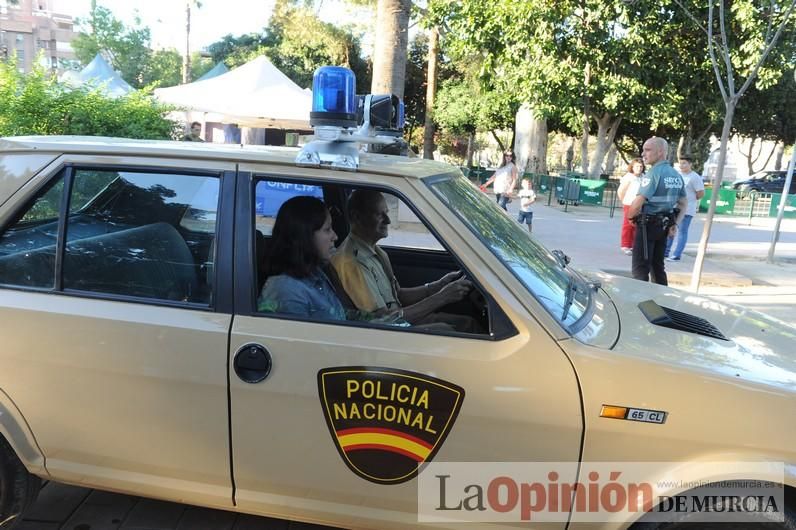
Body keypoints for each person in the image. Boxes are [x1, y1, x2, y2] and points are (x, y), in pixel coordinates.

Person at [331, 189, 477, 331]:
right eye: (379, 215)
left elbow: (398, 296)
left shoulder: (376, 252)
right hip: (392, 331)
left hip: (401, 320)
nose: (388, 220)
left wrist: (438, 285)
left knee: (467, 323)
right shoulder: (352, 262)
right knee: (456, 330)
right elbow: (383, 322)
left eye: (386, 213)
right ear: (357, 217)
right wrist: (442, 297)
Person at [257, 196, 346, 320]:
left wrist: (373, 319)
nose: (335, 236)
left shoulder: (315, 272)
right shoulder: (286, 290)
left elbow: (340, 316)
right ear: (305, 235)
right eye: (327, 230)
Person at [628, 137, 688, 286]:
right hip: (664, 227)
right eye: (643, 150)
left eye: (647, 150)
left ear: (660, 152)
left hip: (647, 226)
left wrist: (630, 217)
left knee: (640, 269)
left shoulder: (653, 174)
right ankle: (662, 299)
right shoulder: (676, 175)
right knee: (658, 267)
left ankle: (639, 300)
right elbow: (683, 203)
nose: (643, 154)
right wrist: (675, 224)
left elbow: (637, 204)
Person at [665, 156, 705, 261]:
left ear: (690, 164)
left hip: (687, 209)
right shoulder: (677, 175)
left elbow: (700, 193)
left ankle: (676, 255)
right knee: (670, 228)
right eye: (680, 163)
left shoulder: (695, 177)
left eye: (684, 163)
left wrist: (690, 200)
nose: (682, 165)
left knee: (682, 231)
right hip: (675, 207)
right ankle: (665, 252)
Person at [617, 158, 644, 255]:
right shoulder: (628, 177)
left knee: (637, 226)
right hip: (629, 203)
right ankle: (625, 245)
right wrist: (624, 201)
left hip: (640, 204)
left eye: (641, 166)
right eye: (637, 166)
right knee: (628, 225)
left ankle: (633, 245)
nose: (639, 168)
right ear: (632, 167)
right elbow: (621, 191)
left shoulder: (644, 177)